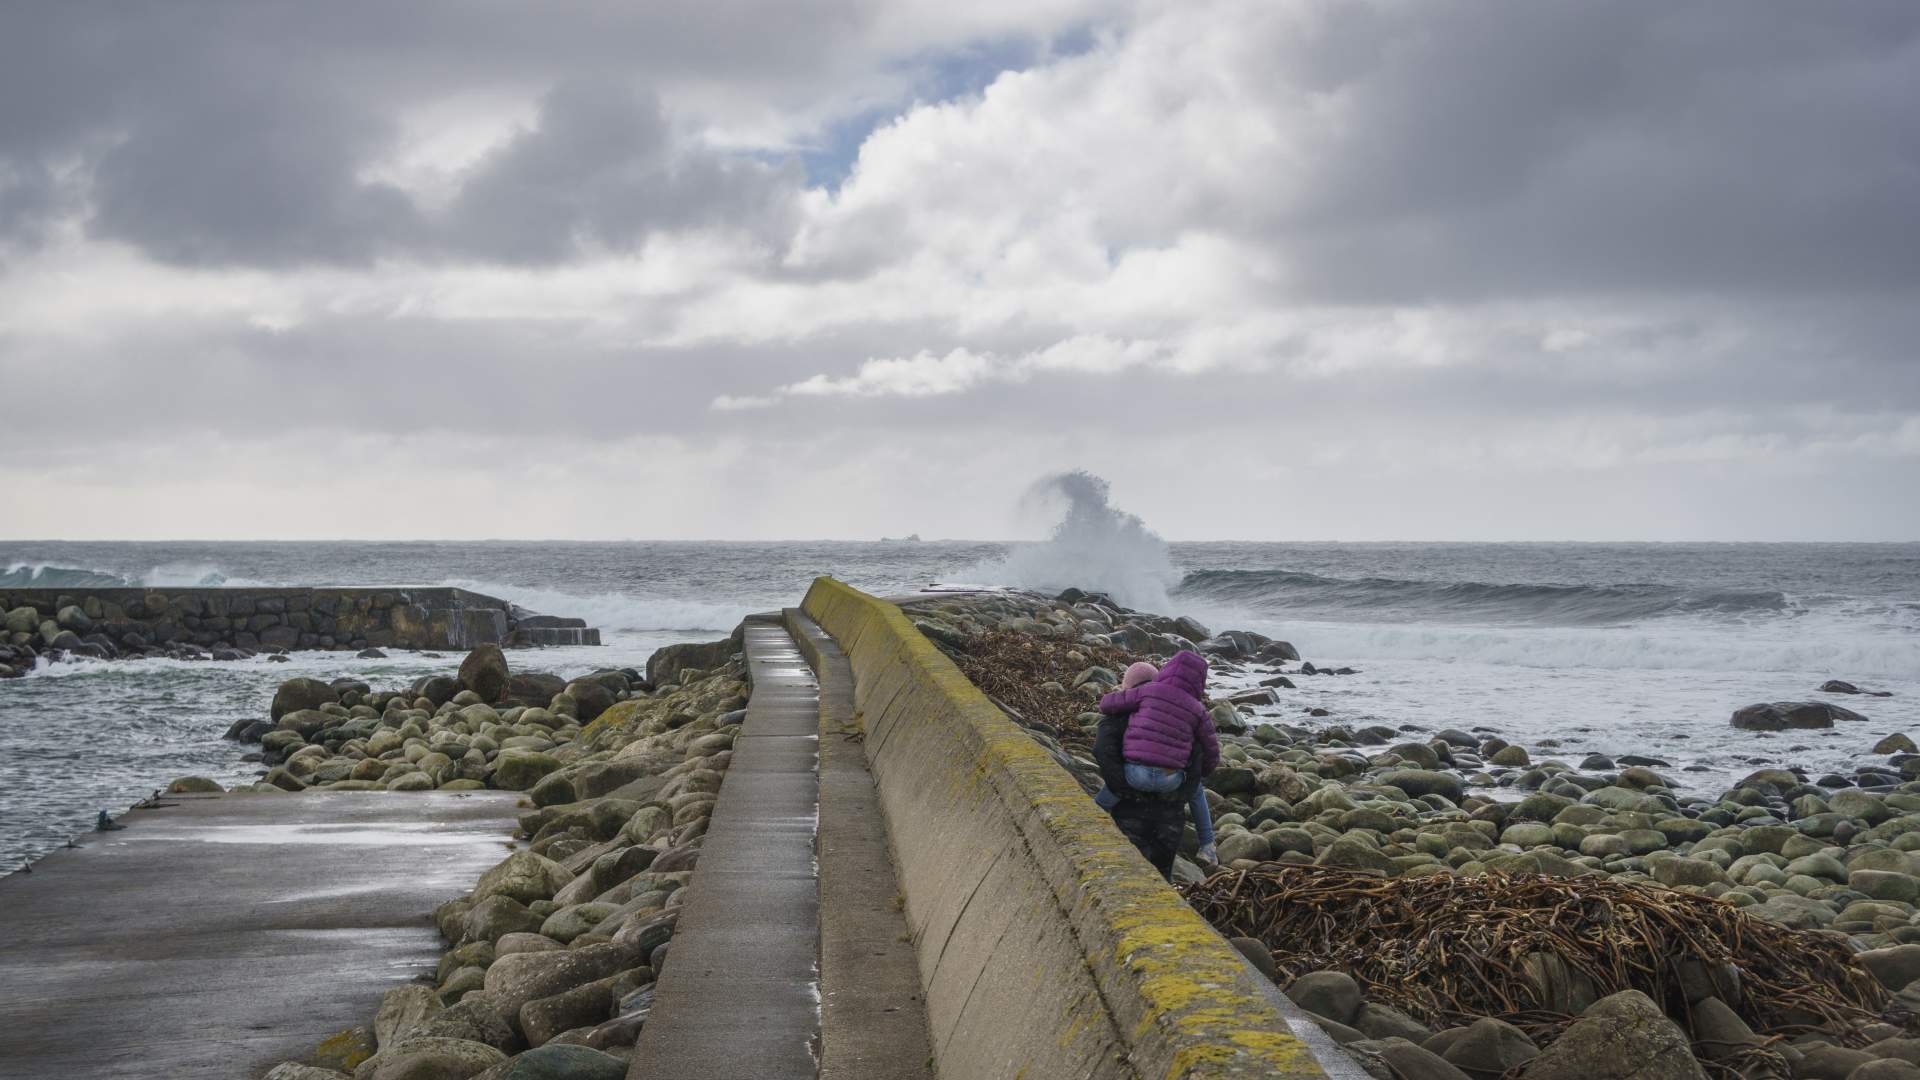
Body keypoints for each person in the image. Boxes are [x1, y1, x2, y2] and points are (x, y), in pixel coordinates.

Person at [1092, 651, 1220, 878]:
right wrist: (1201, 776)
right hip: (1170, 793)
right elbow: (1208, 751)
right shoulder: (1195, 711)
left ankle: (1089, 820)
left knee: (1124, 868)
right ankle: (1207, 843)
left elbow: (1103, 748)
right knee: (1162, 873)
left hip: (1132, 785)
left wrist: (1121, 786)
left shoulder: (1135, 703)